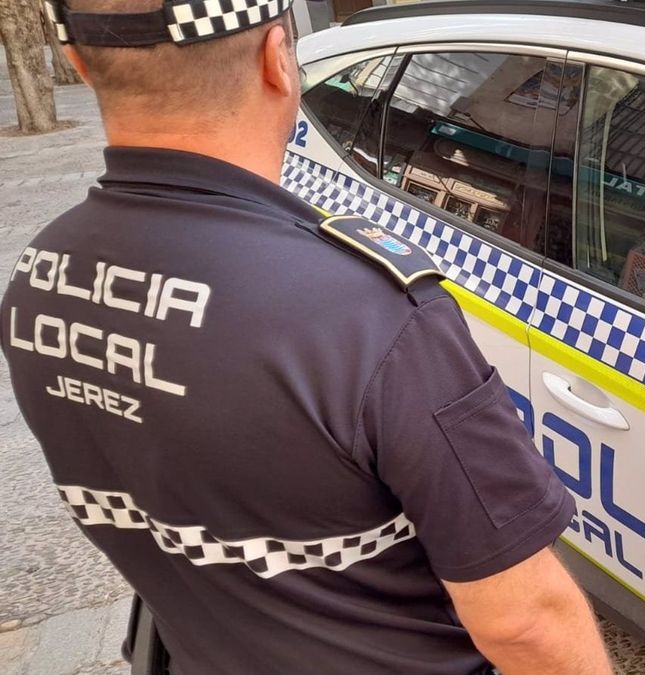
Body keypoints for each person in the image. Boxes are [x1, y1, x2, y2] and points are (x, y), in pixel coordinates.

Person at [1, 1, 612, 673]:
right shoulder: (366, 317)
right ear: (277, 57)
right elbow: (527, 622)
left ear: (79, 64)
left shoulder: (39, 275)